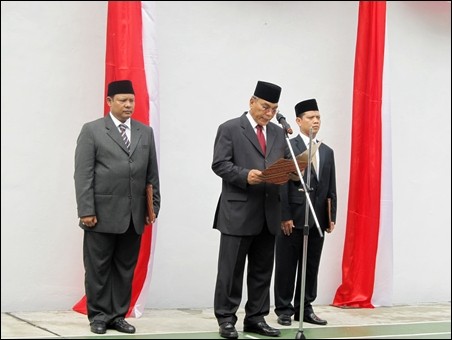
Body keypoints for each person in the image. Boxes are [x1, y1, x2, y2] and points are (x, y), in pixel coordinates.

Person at [74, 80, 160, 335]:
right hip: (99, 215)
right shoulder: (92, 131)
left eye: (131, 100)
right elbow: (83, 174)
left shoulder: (145, 132)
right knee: (98, 268)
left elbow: (151, 175)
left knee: (125, 268)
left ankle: (117, 315)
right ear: (109, 102)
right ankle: (98, 316)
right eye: (122, 100)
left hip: (133, 216)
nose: (128, 105)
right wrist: (86, 210)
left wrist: (152, 207)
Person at [212, 80, 288, 339]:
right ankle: (226, 318)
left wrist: (291, 171)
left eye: (274, 110)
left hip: (269, 212)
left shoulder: (278, 133)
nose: (269, 114)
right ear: (252, 101)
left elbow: (283, 165)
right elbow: (219, 164)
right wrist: (246, 175)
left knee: (262, 270)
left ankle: (256, 318)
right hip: (238, 212)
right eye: (265, 107)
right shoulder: (230, 128)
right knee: (230, 270)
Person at [274, 98, 337, 327]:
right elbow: (281, 184)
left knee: (311, 266)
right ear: (298, 121)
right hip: (293, 218)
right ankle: (283, 309)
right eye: (311, 117)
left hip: (318, 218)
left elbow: (331, 187)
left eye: (318, 117)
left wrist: (331, 217)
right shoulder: (287, 147)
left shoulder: (327, 151)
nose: (316, 121)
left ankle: (305, 307)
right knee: (286, 265)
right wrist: (284, 215)